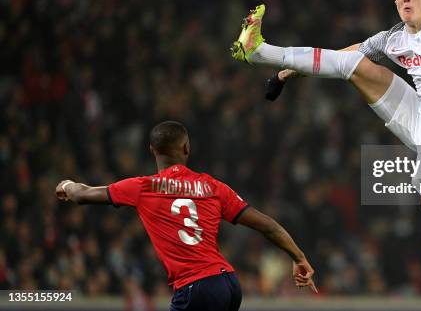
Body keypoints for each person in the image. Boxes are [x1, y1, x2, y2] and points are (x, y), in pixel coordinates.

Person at [230, 0, 421, 292]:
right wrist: (286, 75)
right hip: (420, 114)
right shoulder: (395, 38)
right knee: (356, 65)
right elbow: (346, 55)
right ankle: (261, 51)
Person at [55, 121, 317, 311]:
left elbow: (83, 194)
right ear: (187, 148)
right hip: (228, 284)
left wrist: (67, 185)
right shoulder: (213, 186)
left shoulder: (143, 187)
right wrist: (299, 257)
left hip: (196, 288)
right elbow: (268, 226)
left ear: (152, 150)